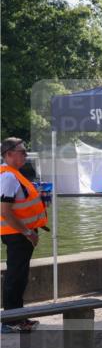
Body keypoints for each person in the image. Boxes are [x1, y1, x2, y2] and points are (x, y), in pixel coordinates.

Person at [1, 138, 47, 332]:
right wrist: (28, 233)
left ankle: (17, 317)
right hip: (18, 234)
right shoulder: (9, 176)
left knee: (18, 276)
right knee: (16, 276)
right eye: (22, 151)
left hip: (19, 233)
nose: (26, 155)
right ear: (9, 153)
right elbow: (5, 210)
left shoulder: (14, 174)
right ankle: (11, 321)